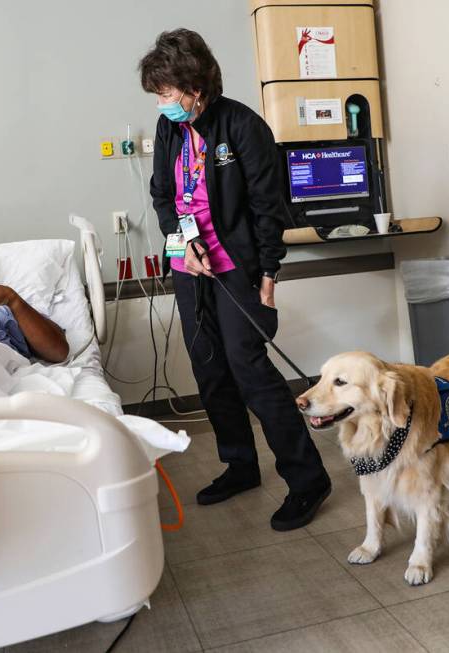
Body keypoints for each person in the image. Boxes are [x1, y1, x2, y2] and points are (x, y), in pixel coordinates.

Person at [139, 29, 331, 531]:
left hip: (238, 268)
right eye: (157, 96)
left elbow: (270, 208)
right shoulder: (168, 130)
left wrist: (269, 272)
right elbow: (164, 194)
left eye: (167, 93)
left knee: (252, 372)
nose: (163, 104)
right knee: (209, 369)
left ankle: (307, 479)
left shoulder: (244, 126)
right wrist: (183, 239)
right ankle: (240, 464)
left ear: (194, 86)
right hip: (190, 265)